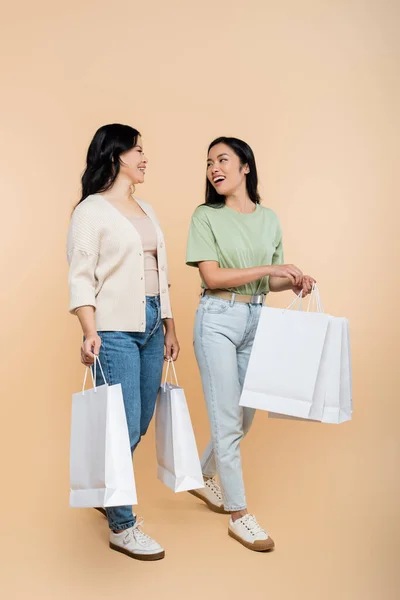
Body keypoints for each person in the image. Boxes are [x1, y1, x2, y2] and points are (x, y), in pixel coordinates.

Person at [186, 137, 315, 552]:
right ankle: (240, 514)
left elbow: (268, 281)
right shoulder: (205, 216)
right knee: (227, 420)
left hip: (258, 320)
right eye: (209, 163)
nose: (214, 168)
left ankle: (202, 473)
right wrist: (271, 267)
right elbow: (214, 278)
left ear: (245, 167)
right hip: (217, 320)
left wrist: (293, 279)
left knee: (244, 418)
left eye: (222, 159)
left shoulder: (269, 218)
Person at [67, 123, 180, 561]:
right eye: (137, 150)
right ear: (115, 156)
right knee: (123, 424)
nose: (144, 157)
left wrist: (168, 325)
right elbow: (80, 277)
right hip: (113, 328)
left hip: (152, 324)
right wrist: (89, 330)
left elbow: (160, 272)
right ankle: (122, 525)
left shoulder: (146, 209)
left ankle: (105, 487)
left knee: (142, 420)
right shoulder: (90, 212)